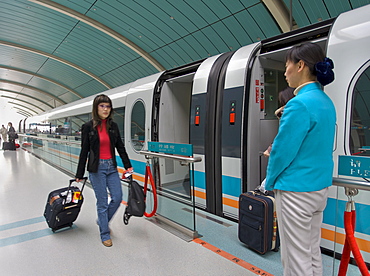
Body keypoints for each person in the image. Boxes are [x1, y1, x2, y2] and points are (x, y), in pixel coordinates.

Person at [265, 43, 336, 276]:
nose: (285, 72)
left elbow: (281, 152)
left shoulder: (299, 104)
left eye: (287, 66)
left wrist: (269, 181)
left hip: (295, 191)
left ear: (301, 65)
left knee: (295, 259)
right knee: (312, 251)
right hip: (319, 189)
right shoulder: (326, 102)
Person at [75, 94, 133, 247]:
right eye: (102, 106)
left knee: (117, 197)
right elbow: (84, 151)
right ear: (96, 108)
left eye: (108, 106)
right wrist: (79, 174)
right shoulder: (88, 127)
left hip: (111, 167)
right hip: (97, 168)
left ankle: (102, 221)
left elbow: (120, 146)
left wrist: (128, 165)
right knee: (102, 203)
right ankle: (104, 233)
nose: (105, 109)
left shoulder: (112, 126)